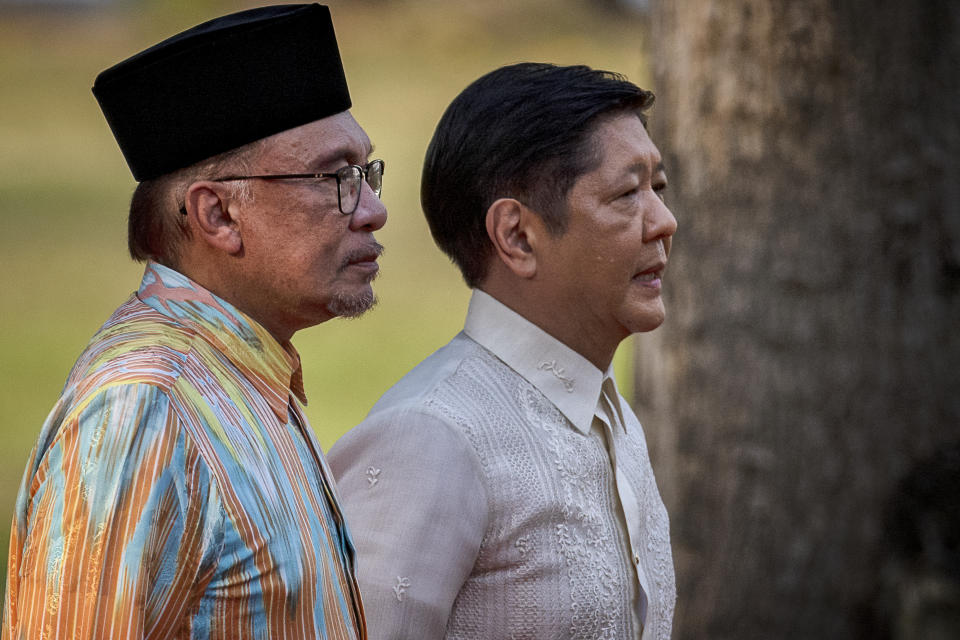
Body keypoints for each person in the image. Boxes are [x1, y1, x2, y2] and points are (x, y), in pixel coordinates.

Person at [2, 5, 385, 639]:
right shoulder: (142, 407)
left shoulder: (250, 377)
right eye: (334, 178)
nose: (372, 210)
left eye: (365, 173)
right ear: (218, 216)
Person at [328, 62, 677, 639]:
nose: (663, 222)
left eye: (658, 188)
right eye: (626, 194)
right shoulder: (431, 436)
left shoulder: (608, 414)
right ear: (517, 235)